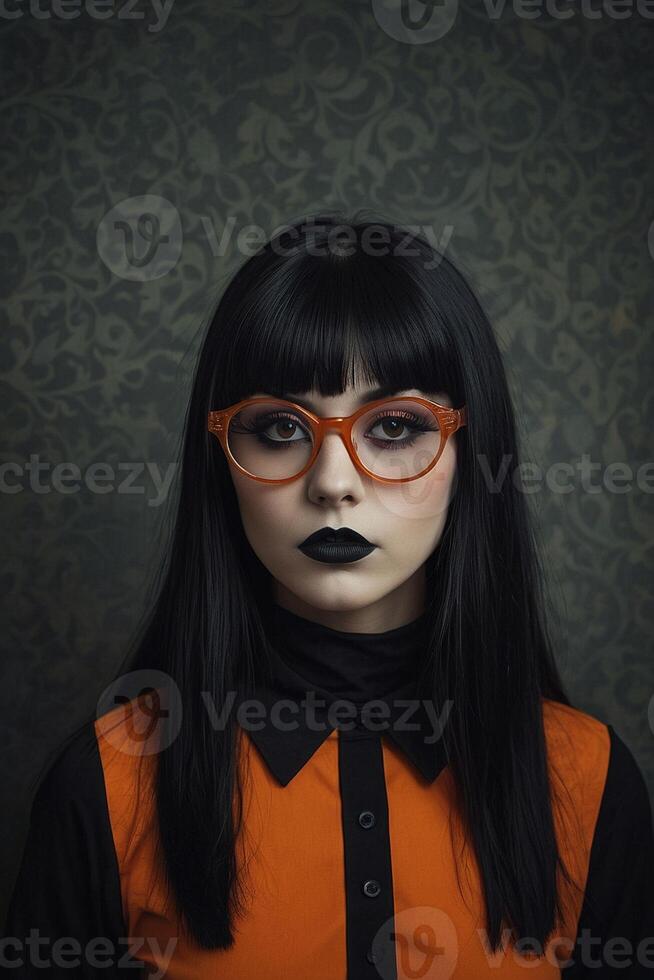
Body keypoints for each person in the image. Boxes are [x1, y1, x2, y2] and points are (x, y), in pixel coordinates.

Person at [4, 211, 653, 978]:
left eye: (397, 425)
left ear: (471, 453)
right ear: (223, 459)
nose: (333, 482)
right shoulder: (111, 782)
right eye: (279, 427)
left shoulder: (585, 777)